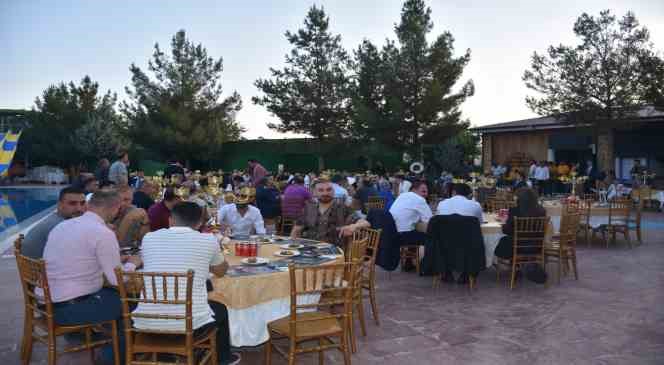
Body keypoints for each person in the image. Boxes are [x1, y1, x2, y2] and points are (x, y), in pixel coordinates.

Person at [134, 202, 240, 365]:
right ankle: (223, 359)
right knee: (221, 309)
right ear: (199, 223)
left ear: (170, 220)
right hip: (190, 325)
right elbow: (220, 271)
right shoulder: (208, 240)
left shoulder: (149, 238)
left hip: (145, 322)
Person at [43, 189, 142, 364]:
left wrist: (116, 259)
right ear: (115, 209)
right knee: (133, 305)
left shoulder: (63, 225)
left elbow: (79, 256)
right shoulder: (102, 232)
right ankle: (113, 358)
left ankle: (109, 345)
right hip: (69, 309)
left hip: (47, 302)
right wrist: (133, 263)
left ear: (89, 205)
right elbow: (118, 280)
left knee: (114, 298)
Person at [291, 178, 370, 246]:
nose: (325, 193)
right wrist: (293, 247)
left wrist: (354, 226)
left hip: (334, 253)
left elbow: (365, 223)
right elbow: (296, 230)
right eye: (321, 190)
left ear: (333, 191)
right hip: (310, 251)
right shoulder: (309, 208)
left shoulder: (342, 208)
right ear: (314, 192)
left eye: (329, 190)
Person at [21, 186, 87, 259]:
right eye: (72, 203)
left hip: (37, 265)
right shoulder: (61, 227)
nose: (79, 208)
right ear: (59, 205)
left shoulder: (56, 219)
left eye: (82, 203)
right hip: (43, 268)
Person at [494, 187, 547, 260]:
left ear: (519, 198)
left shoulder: (514, 210)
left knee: (502, 240)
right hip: (537, 245)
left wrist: (503, 225)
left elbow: (507, 230)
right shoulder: (542, 210)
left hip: (517, 246)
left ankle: (511, 264)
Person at [388, 180, 433, 246]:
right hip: (403, 236)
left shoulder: (402, 195)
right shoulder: (420, 199)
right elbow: (431, 221)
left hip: (391, 234)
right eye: (423, 191)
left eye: (427, 192)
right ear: (414, 190)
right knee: (432, 238)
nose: (426, 194)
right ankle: (425, 256)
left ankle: (410, 254)